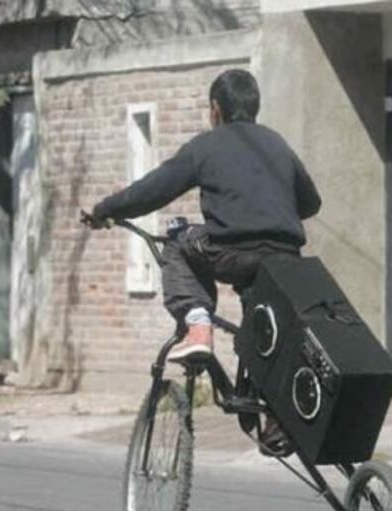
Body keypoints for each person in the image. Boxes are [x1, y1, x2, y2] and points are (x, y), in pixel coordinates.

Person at [83, 69, 321, 455]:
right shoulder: (278, 145)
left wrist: (104, 210)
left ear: (215, 109)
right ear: (255, 107)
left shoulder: (206, 146)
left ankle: (197, 326)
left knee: (177, 243)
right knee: (267, 330)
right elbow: (311, 202)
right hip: (284, 257)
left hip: (229, 251)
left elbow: (153, 190)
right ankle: (278, 420)